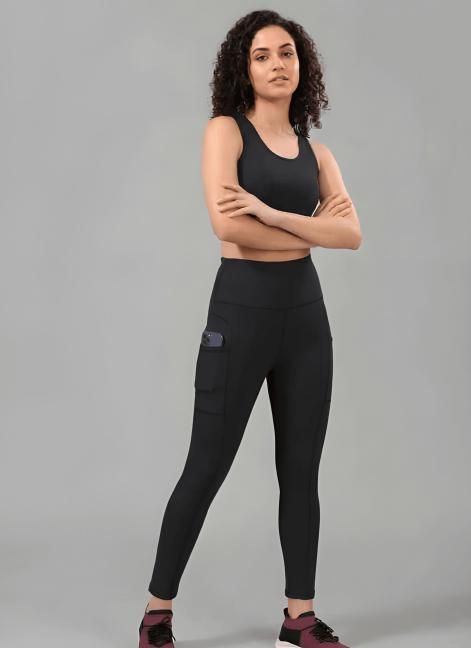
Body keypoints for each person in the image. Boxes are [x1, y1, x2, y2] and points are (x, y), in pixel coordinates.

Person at [138, 10, 361, 648]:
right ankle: (157, 613)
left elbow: (351, 233)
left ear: (302, 65)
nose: (276, 64)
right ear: (243, 67)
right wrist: (307, 228)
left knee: (301, 469)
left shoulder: (318, 153)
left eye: (286, 52)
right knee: (206, 465)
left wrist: (271, 213)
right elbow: (227, 226)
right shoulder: (225, 132)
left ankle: (299, 616)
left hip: (305, 321)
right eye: (261, 55)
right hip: (239, 315)